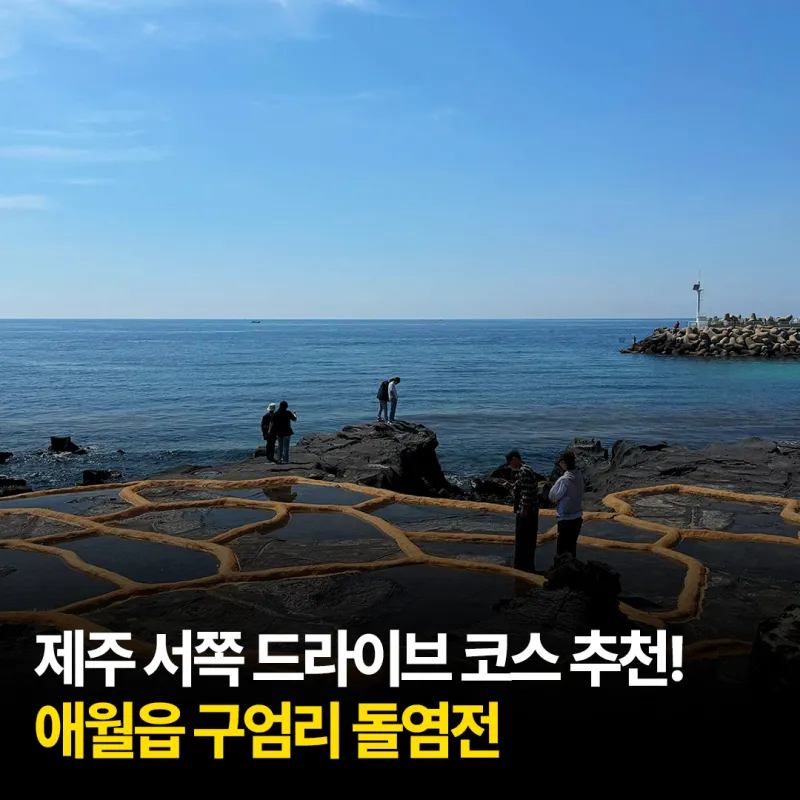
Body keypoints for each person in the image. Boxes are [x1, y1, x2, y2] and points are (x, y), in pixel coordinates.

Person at [505, 449, 539, 573]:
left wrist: (524, 508)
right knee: (527, 539)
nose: (509, 466)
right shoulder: (525, 469)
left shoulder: (524, 470)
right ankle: (526, 564)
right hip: (531, 509)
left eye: (509, 462)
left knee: (523, 538)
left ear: (515, 459)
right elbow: (520, 485)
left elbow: (526, 491)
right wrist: (510, 486)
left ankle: (522, 566)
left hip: (527, 511)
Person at [549, 450, 584, 557]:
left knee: (562, 551)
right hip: (577, 516)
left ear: (564, 463)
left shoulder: (564, 480)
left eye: (560, 462)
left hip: (566, 518)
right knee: (572, 548)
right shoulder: (579, 475)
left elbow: (553, 496)